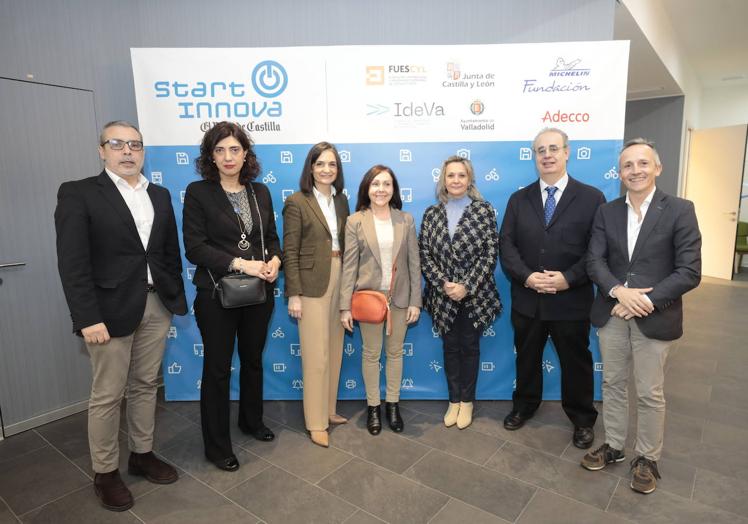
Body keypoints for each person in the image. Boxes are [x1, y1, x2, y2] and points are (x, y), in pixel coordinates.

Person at [55, 121, 187, 511]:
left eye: (135, 145)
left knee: (147, 384)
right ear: (102, 150)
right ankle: (106, 472)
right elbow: (72, 263)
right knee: (108, 395)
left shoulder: (159, 195)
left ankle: (142, 454)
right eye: (117, 144)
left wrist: (172, 294)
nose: (127, 151)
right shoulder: (79, 193)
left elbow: (166, 252)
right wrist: (86, 317)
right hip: (107, 313)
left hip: (155, 304)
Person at [581, 138, 701, 494]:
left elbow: (689, 270)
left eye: (643, 163)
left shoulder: (680, 209)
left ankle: (647, 458)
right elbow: (594, 262)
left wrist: (641, 301)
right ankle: (615, 446)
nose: (636, 171)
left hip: (654, 314)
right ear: (620, 173)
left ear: (657, 168)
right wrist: (619, 292)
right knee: (613, 384)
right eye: (628, 166)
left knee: (650, 392)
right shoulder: (607, 211)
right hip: (612, 311)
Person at [182, 122, 281, 472]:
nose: (228, 157)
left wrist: (274, 262)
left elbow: (270, 237)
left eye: (235, 149)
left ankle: (251, 422)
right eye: (220, 150)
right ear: (211, 156)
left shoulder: (261, 192)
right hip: (216, 296)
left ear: (245, 154)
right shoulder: (198, 192)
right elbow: (195, 248)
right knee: (218, 369)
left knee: (253, 360)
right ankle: (217, 445)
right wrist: (242, 263)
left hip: (258, 294)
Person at [499, 127, 604, 449]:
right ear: (535, 156)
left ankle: (582, 419)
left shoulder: (592, 198)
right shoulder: (519, 199)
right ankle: (524, 405)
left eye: (553, 148)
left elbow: (596, 251)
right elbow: (507, 245)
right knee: (526, 358)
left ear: (567, 152)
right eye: (540, 150)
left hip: (570, 301)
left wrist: (568, 278)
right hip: (528, 299)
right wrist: (528, 277)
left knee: (576, 362)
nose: (547, 155)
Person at [419, 155, 501, 429]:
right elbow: (424, 255)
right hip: (442, 295)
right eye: (451, 175)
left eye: (461, 175)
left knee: (470, 346)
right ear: (443, 179)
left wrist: (467, 285)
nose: (455, 180)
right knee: (450, 347)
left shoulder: (483, 210)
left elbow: (491, 252)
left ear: (469, 179)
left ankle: (467, 401)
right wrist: (444, 283)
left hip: (474, 294)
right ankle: (454, 400)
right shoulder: (431, 213)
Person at [339, 165, 422, 435]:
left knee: (395, 353)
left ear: (393, 190)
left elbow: (413, 263)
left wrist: (415, 301)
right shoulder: (355, 221)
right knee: (371, 354)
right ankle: (373, 407)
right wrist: (344, 306)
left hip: (399, 299)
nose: (381, 189)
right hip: (369, 301)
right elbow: (349, 267)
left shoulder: (405, 220)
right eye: (376, 184)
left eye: (387, 184)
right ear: (367, 188)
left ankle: (393, 405)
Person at [283, 142, 350, 448]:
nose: (326, 170)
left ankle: (329, 409)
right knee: (316, 355)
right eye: (320, 164)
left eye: (332, 164)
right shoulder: (297, 202)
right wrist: (293, 293)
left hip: (340, 275)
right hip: (311, 284)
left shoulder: (342, 201)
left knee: (335, 351)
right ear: (310, 167)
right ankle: (315, 421)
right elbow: (290, 251)